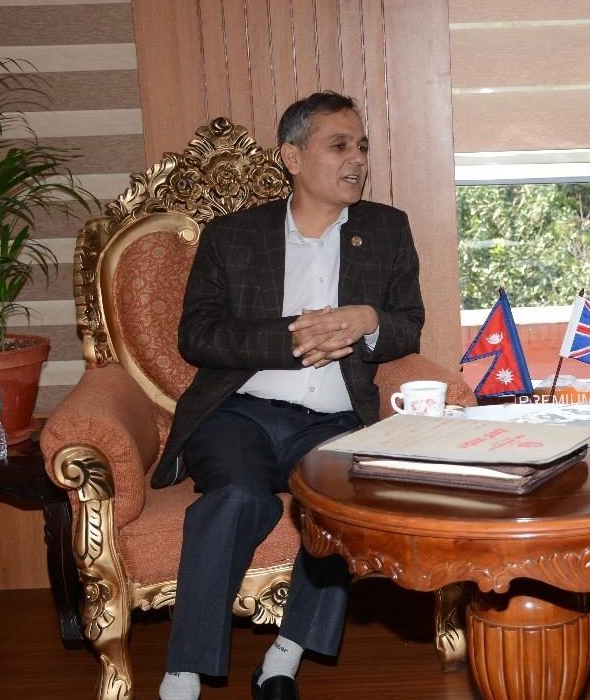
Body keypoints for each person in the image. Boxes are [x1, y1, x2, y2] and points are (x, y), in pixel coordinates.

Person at [150, 91, 424, 700]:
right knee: (238, 497)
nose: (357, 159)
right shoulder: (233, 235)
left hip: (333, 422)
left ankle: (284, 657)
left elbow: (408, 325)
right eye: (339, 145)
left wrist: (366, 320)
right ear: (293, 157)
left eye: (362, 147)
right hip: (239, 414)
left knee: (343, 505)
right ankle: (183, 673)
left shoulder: (386, 229)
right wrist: (290, 339)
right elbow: (197, 335)